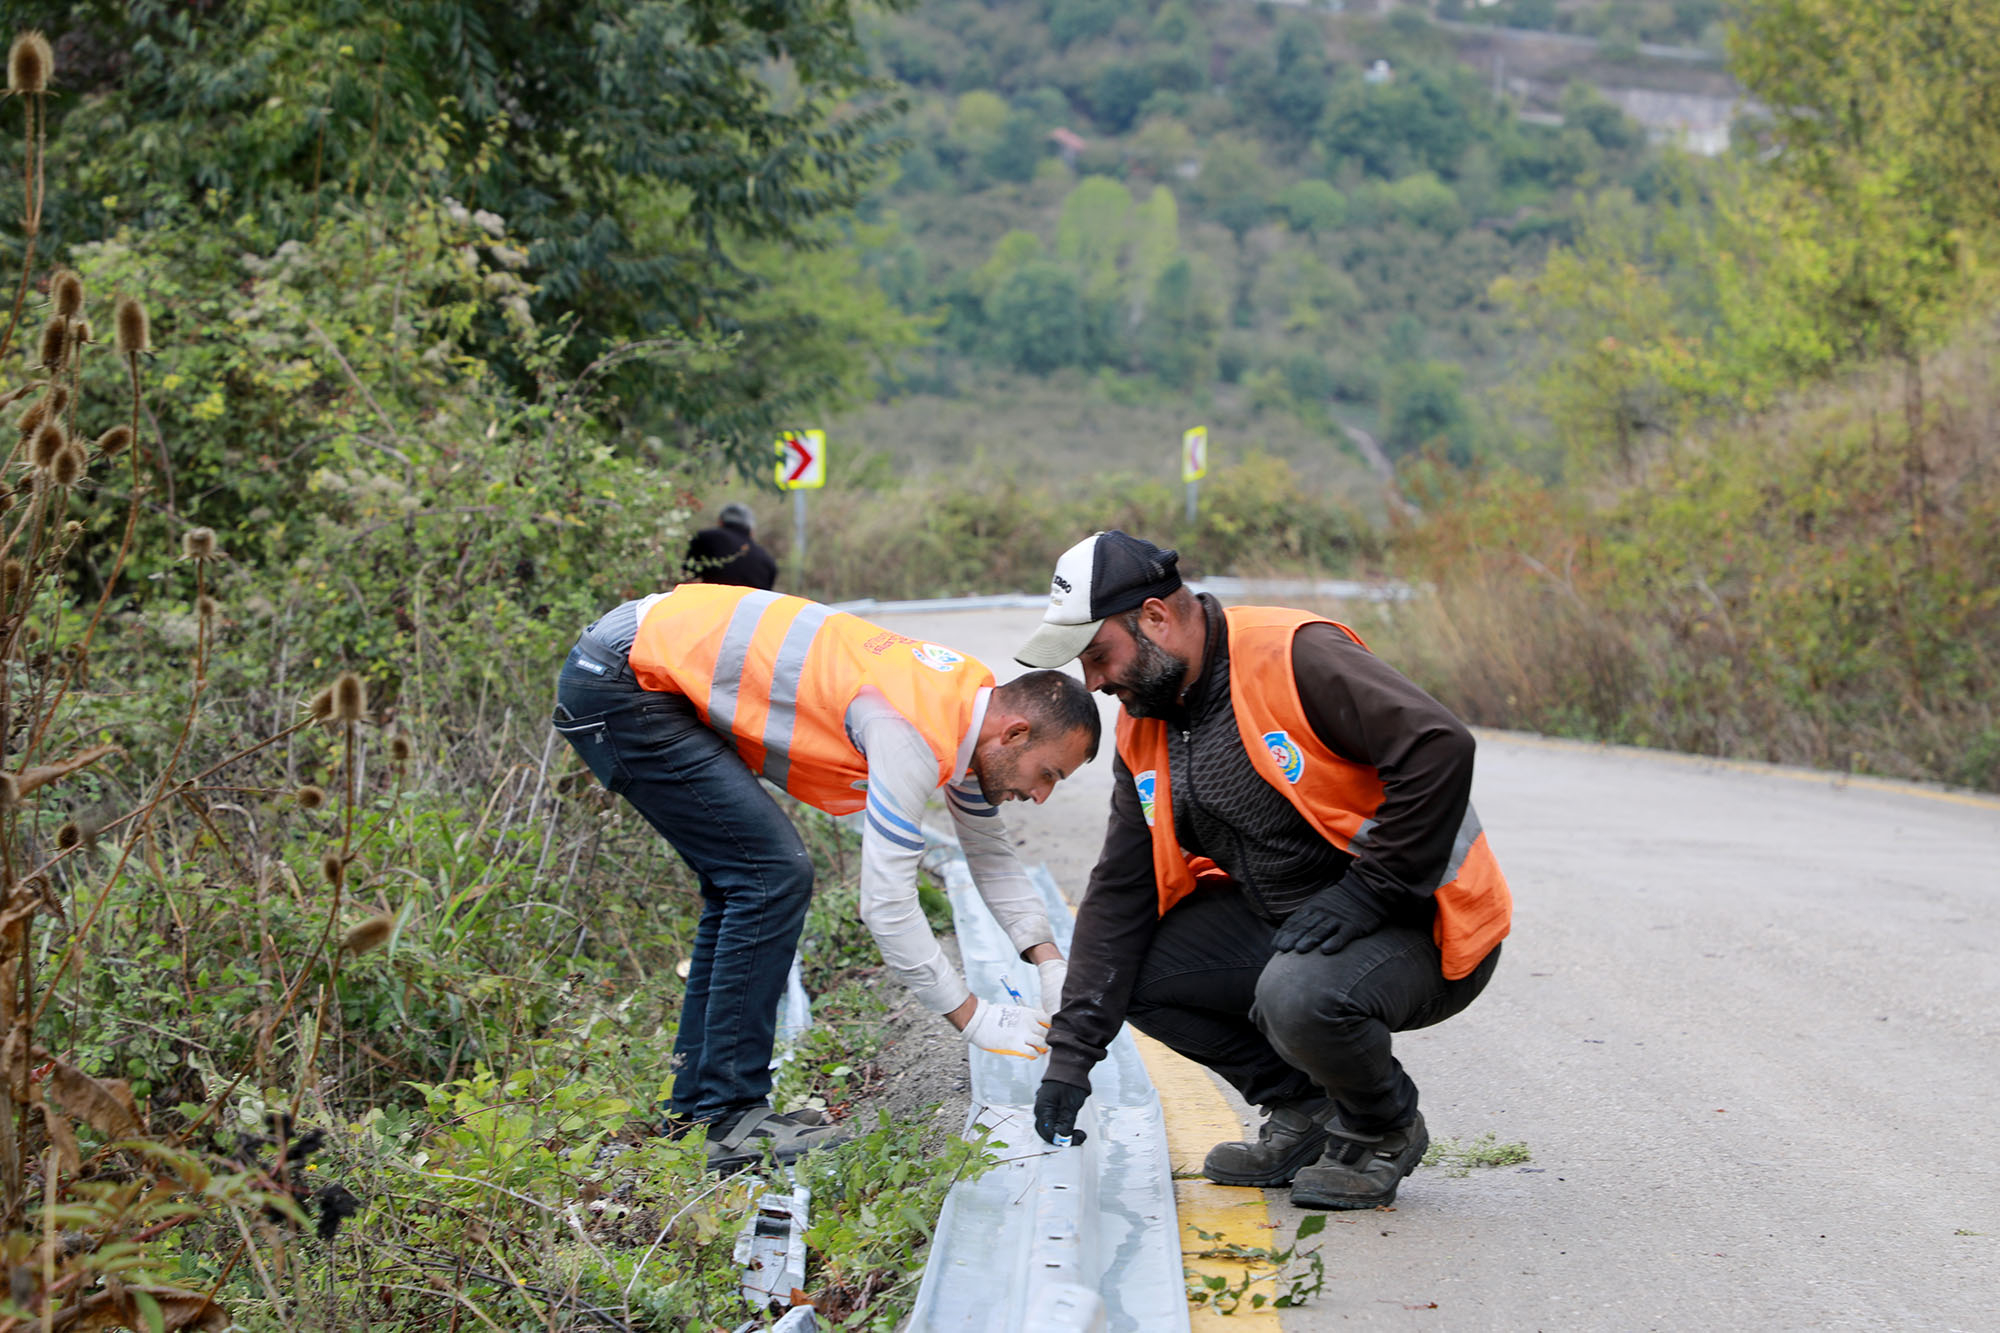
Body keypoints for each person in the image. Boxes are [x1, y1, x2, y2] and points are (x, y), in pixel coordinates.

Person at [1016, 531, 1511, 1210]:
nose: (1094, 683)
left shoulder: (1292, 654)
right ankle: (1304, 1110)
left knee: (1296, 993)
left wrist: (1370, 890)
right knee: (1133, 970)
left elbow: (1439, 744)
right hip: (1294, 922)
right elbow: (1120, 893)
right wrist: (1072, 1058)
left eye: (1099, 656)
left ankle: (1381, 1127)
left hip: (1418, 921)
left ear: (1156, 618)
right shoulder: (1147, 724)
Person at [553, 584, 1100, 1171]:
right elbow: (886, 903)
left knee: (748, 879)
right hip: (623, 679)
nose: (1039, 796)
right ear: (1014, 734)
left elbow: (990, 854)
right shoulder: (912, 727)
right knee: (769, 875)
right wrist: (973, 1016)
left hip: (637, 663)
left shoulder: (969, 710)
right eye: (1047, 774)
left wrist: (1049, 964)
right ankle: (727, 1118)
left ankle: (700, 1111)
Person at [683, 502, 777, 589]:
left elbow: (687, 579)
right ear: (751, 530)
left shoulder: (703, 538)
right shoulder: (767, 561)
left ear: (720, 522)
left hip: (707, 604)